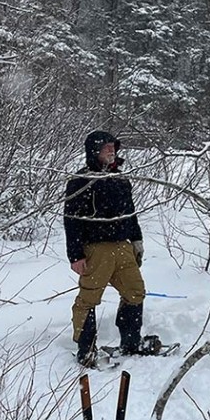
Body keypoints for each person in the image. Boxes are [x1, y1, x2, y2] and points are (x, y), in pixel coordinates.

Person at [64, 130, 146, 367]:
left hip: (122, 246)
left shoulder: (121, 178)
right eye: (106, 147)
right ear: (94, 151)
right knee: (89, 298)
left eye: (113, 147)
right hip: (95, 249)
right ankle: (86, 349)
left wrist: (136, 241)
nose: (111, 151)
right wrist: (76, 255)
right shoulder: (80, 181)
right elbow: (71, 220)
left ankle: (131, 342)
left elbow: (131, 213)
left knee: (135, 291)